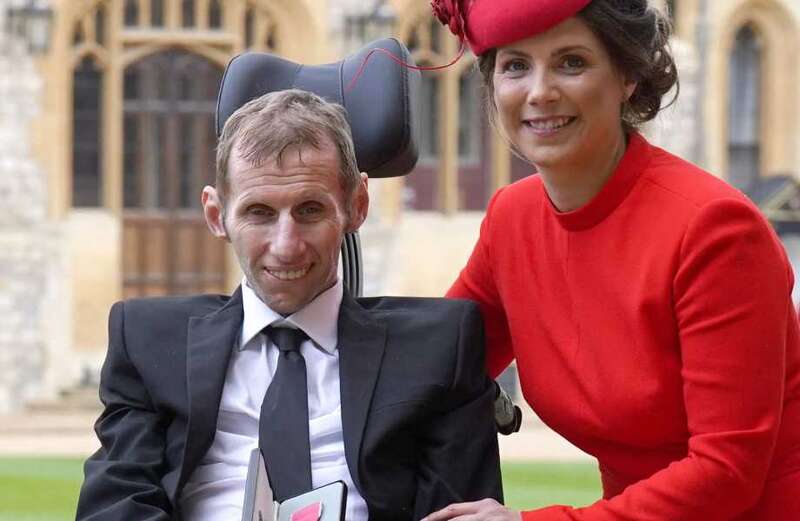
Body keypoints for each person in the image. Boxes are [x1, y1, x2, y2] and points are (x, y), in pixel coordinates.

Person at [422, 0, 800, 520]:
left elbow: (726, 470)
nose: (539, 92)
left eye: (571, 62)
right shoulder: (511, 220)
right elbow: (434, 366)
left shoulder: (715, 231)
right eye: (515, 66)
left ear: (627, 76)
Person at [75, 89, 502, 521]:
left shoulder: (439, 346)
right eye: (259, 213)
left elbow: (456, 511)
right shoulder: (148, 340)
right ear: (216, 215)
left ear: (357, 206)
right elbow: (113, 507)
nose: (286, 246)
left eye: (310, 210)